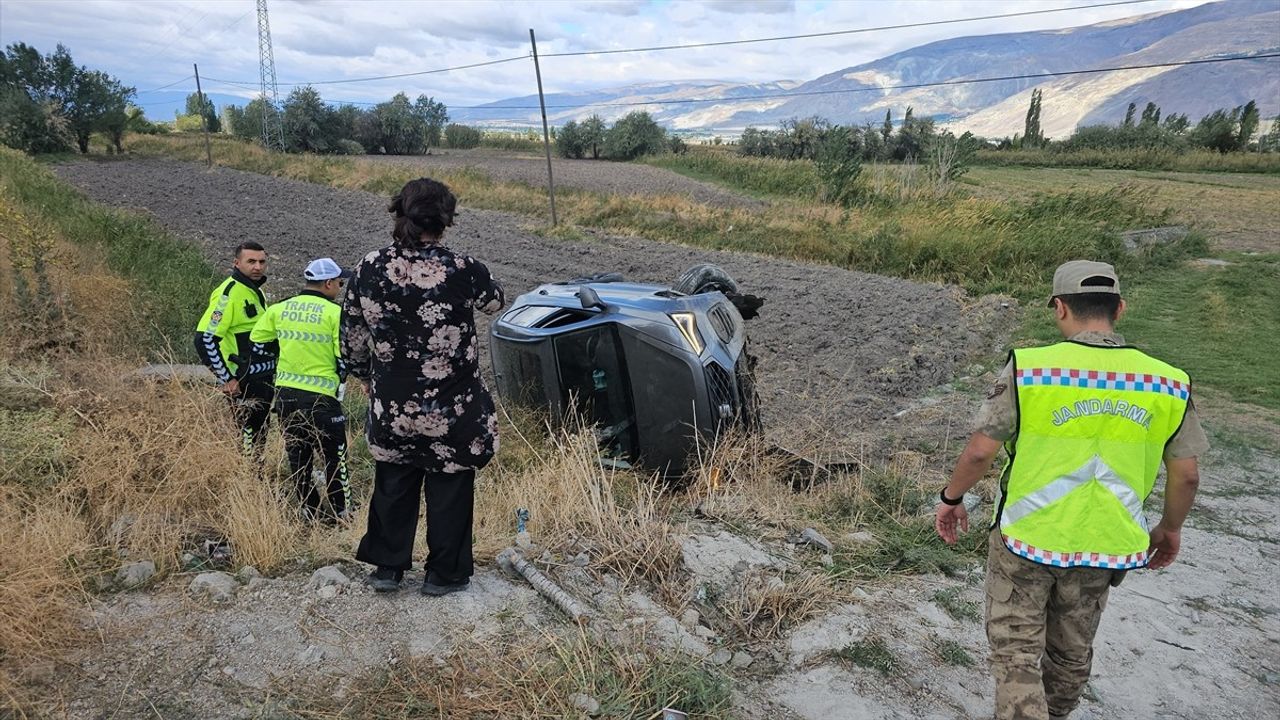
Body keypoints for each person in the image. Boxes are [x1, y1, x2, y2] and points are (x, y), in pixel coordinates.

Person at [935, 260, 1207, 720]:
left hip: (1027, 538)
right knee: (1070, 653)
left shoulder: (1032, 369)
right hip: (1105, 545)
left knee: (1016, 654)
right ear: (1119, 308)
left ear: (1059, 308)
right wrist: (1170, 528)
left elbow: (981, 453)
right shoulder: (1167, 382)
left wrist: (951, 499)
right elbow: (1187, 476)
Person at [341, 177, 505, 596]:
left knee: (393, 480)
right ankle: (444, 574)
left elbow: (352, 339)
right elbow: (495, 303)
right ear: (445, 219)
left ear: (400, 213)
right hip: (453, 405)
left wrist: (366, 378)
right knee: (450, 482)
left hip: (392, 402)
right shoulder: (464, 269)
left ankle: (387, 568)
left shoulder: (369, 266)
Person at [249, 258, 352, 523]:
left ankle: (310, 512)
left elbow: (257, 341)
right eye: (339, 283)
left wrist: (281, 354)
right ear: (328, 283)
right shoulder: (334, 313)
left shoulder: (279, 308)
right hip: (322, 399)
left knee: (298, 456)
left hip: (285, 396)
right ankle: (343, 513)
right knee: (335, 457)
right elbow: (344, 355)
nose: (340, 287)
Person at [194, 241, 276, 456]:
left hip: (262, 378)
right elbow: (205, 339)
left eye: (261, 262)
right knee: (248, 437)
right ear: (237, 263)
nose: (257, 267)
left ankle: (255, 482)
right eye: (251, 261)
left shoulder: (254, 290)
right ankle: (248, 482)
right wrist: (226, 378)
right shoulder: (229, 293)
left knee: (259, 436)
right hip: (242, 380)